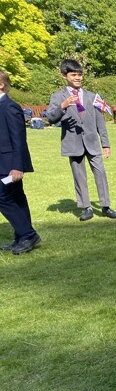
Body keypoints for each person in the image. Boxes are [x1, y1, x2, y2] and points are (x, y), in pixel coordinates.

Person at [46, 59, 116, 221]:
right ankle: (86, 207)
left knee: (100, 173)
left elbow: (100, 122)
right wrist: (62, 106)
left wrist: (105, 143)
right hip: (73, 144)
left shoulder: (92, 96)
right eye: (74, 75)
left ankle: (106, 206)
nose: (78, 78)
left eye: (80, 75)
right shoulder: (58, 96)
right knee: (79, 176)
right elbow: (50, 118)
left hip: (92, 142)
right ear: (64, 75)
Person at [0, 70, 40, 255]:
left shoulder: (9, 107)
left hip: (9, 164)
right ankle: (21, 236)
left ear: (1, 85)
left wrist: (17, 166)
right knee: (16, 198)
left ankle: (28, 234)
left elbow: (19, 139)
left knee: (3, 197)